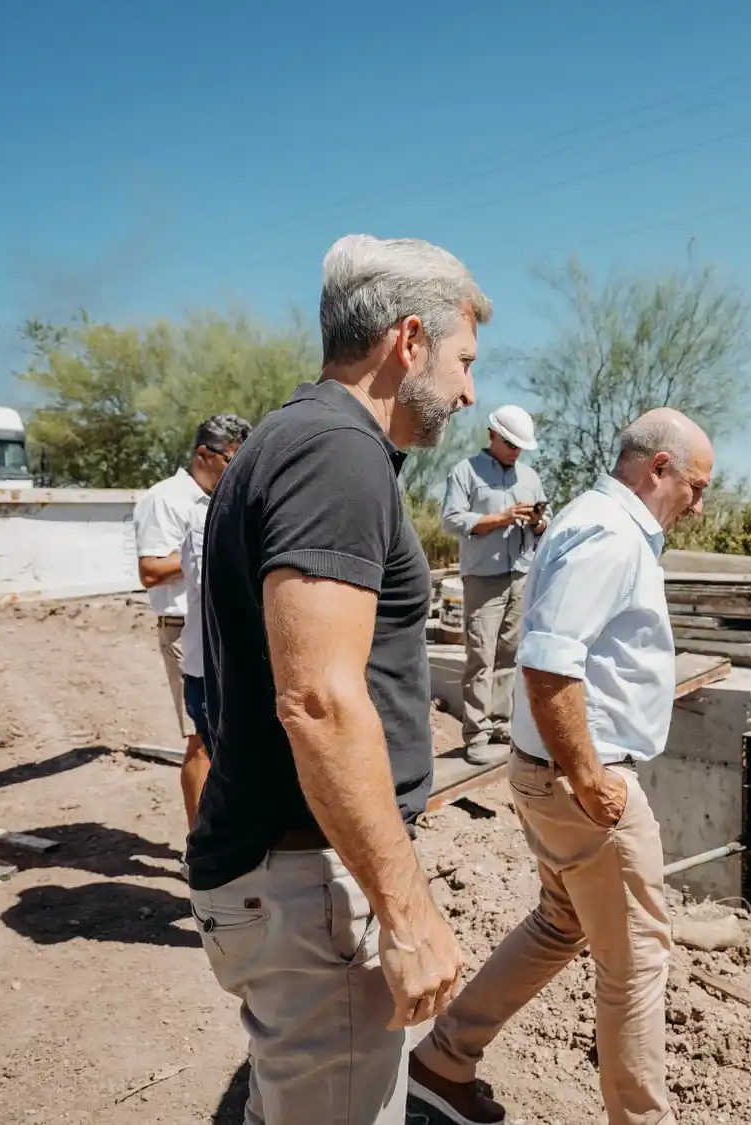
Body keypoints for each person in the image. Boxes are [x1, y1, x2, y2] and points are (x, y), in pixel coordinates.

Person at [185, 234, 491, 1125]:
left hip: (290, 872)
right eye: (464, 360)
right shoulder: (336, 453)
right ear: (408, 341)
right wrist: (406, 912)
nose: (469, 390)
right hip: (306, 879)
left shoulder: (298, 439)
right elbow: (317, 699)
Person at [412, 407, 713, 1125]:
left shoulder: (592, 520)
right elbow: (548, 663)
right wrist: (589, 777)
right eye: (694, 486)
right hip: (583, 775)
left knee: (560, 921)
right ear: (658, 468)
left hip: (556, 769)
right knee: (637, 962)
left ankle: (443, 1059)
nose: (698, 504)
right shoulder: (610, 533)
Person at [132, 413, 250, 829]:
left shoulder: (217, 500)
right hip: (185, 629)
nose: (235, 470)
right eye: (231, 460)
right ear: (205, 454)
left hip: (213, 625)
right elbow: (149, 569)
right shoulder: (166, 500)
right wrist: (205, 554)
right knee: (200, 738)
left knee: (222, 735)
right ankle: (200, 842)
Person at [440, 405, 548, 765]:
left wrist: (537, 522)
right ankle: (476, 735)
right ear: (492, 435)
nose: (516, 451)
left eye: (521, 447)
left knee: (509, 655)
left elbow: (544, 524)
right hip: (483, 577)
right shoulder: (465, 472)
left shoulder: (530, 477)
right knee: (480, 657)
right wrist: (497, 518)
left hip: (521, 574)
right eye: (511, 444)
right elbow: (452, 520)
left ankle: (502, 725)